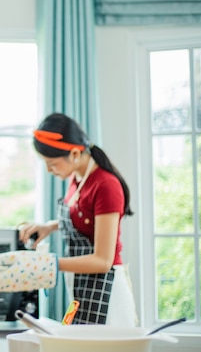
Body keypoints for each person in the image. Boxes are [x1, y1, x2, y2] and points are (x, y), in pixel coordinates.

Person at [18, 112, 137, 326]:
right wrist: (49, 227)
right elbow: (86, 218)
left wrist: (48, 264)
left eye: (52, 163)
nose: (48, 169)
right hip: (83, 290)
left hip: (108, 295)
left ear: (74, 153)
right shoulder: (77, 176)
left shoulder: (106, 186)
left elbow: (102, 261)